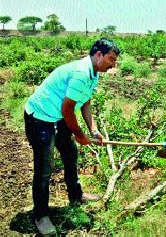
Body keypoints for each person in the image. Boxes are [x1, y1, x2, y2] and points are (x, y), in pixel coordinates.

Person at [24, 38, 120, 235]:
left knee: (70, 154)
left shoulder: (94, 73)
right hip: (41, 118)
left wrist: (93, 129)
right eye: (111, 59)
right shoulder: (80, 73)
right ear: (98, 55)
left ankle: (76, 196)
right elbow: (67, 108)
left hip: (57, 116)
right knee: (44, 168)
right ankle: (40, 215)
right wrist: (79, 133)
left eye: (115, 61)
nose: (113, 64)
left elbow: (85, 102)